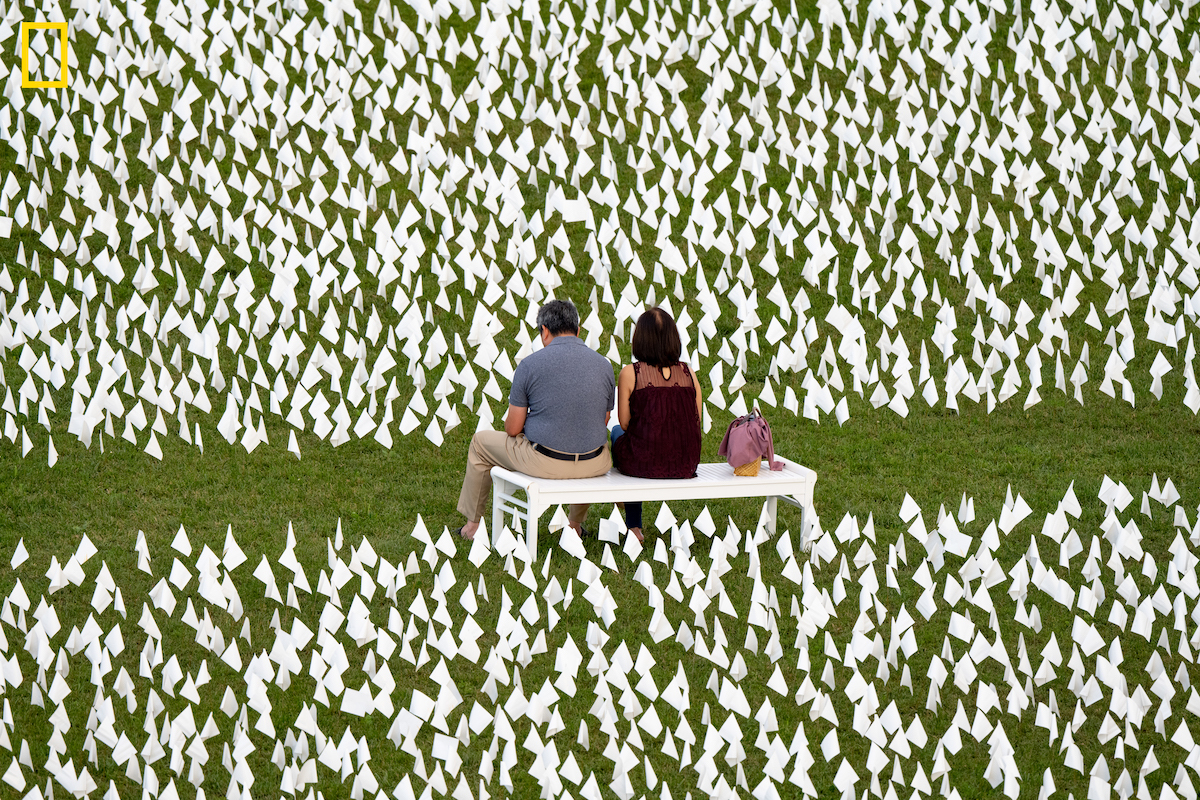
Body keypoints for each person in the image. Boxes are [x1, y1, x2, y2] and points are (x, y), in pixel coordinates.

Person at [456, 298, 615, 541]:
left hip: (544, 461)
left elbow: (512, 428)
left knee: (480, 443)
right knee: (582, 438)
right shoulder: (604, 365)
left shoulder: (529, 365)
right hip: (595, 462)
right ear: (578, 331)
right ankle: (574, 525)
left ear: (544, 332)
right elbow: (602, 419)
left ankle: (473, 526)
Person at [610, 307, 702, 542]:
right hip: (685, 463)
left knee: (617, 432)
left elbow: (625, 423)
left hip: (643, 463)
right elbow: (696, 419)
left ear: (639, 340)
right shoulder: (690, 374)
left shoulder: (631, 373)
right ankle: (631, 518)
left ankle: (634, 526)